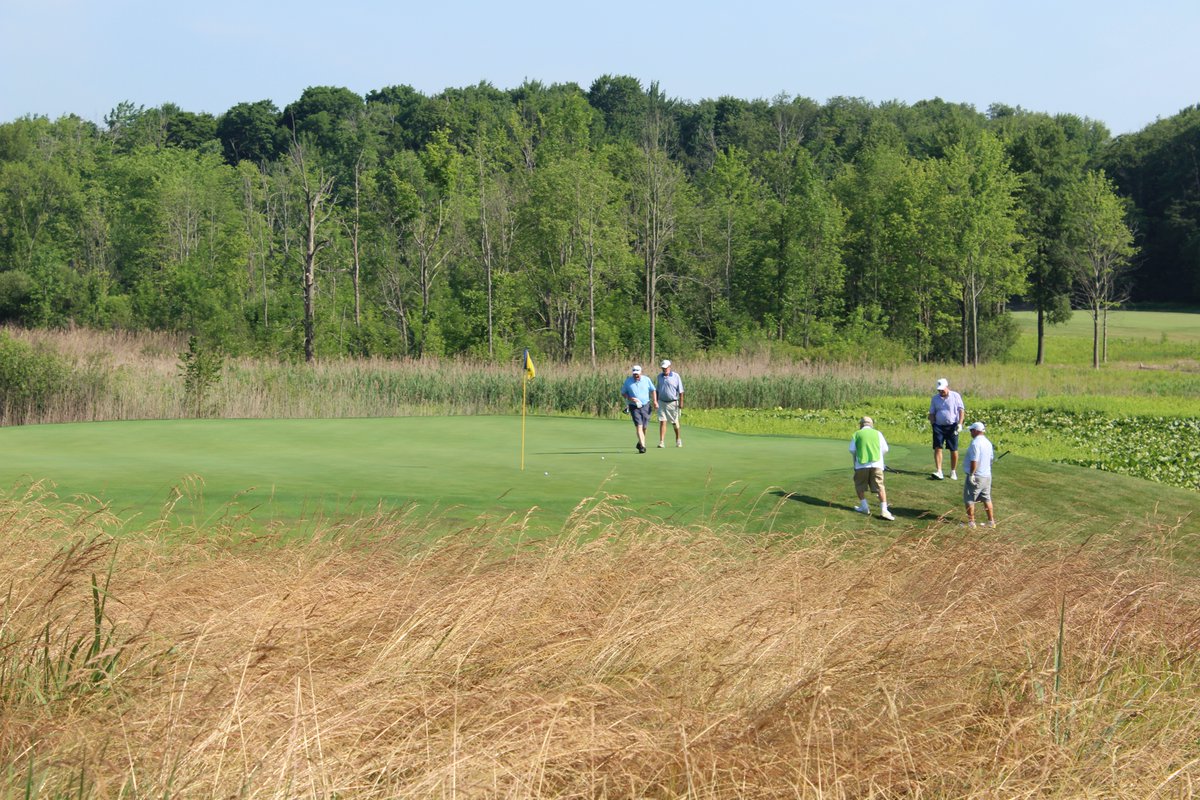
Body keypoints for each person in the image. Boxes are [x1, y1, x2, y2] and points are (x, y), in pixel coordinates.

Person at [849, 416, 895, 520]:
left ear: (861, 424)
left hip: (861, 464)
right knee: (880, 486)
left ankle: (864, 506)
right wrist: (880, 458)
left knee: (859, 485)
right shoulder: (878, 433)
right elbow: (885, 449)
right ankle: (884, 510)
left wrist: (856, 459)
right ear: (871, 424)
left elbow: (852, 450)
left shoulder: (857, 434)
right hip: (877, 464)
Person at [928, 377, 965, 480]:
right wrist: (933, 424)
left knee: (953, 449)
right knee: (938, 447)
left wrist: (960, 424)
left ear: (947, 387)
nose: (940, 391)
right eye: (939, 390)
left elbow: (961, 410)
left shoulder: (955, 396)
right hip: (938, 426)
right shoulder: (935, 398)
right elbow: (932, 413)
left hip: (953, 426)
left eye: (942, 390)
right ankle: (939, 471)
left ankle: (953, 471)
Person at [962, 421, 996, 528]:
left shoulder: (975, 443)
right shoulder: (988, 443)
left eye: (971, 430)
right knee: (986, 498)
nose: (970, 432)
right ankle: (991, 522)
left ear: (976, 431)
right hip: (987, 475)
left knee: (970, 498)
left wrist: (972, 474)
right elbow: (990, 459)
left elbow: (974, 461)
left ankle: (971, 522)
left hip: (977, 475)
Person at [621, 364, 657, 454]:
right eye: (634, 374)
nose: (636, 375)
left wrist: (655, 401)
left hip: (646, 405)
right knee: (639, 426)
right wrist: (630, 398)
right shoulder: (628, 381)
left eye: (637, 373)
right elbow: (623, 393)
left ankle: (640, 442)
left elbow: (653, 390)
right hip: (634, 406)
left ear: (641, 372)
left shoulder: (646, 379)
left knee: (644, 427)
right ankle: (643, 446)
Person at [655, 359, 685, 448]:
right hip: (661, 402)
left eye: (666, 368)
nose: (664, 370)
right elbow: (657, 390)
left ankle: (678, 439)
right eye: (663, 368)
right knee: (662, 421)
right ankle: (661, 442)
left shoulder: (676, 376)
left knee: (675, 422)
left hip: (673, 402)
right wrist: (656, 401)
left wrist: (681, 402)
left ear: (669, 367)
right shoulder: (659, 377)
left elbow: (681, 391)